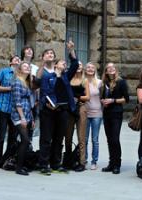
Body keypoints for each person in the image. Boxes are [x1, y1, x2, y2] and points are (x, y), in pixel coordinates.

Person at [36, 40, 79, 175]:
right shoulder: (43, 72)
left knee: (59, 138)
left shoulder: (65, 75)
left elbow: (75, 64)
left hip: (62, 110)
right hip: (48, 109)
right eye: (47, 53)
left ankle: (55, 163)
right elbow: (39, 86)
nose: (50, 54)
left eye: (52, 53)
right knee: (46, 138)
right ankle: (43, 164)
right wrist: (46, 103)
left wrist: (71, 50)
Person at [101, 63, 129, 174]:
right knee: (109, 140)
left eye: (113, 67)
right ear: (106, 71)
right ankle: (111, 163)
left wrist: (113, 101)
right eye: (109, 68)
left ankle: (117, 164)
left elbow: (126, 99)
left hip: (116, 113)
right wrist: (103, 101)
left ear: (115, 70)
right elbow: (103, 97)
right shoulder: (105, 83)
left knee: (115, 139)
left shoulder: (121, 82)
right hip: (106, 113)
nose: (111, 69)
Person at [0, 55, 20, 169]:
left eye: (19, 59)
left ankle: (6, 160)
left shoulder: (22, 75)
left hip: (14, 110)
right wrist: (8, 89)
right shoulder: (3, 72)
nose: (18, 60)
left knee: (13, 138)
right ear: (10, 63)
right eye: (15, 59)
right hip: (2, 108)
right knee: (1, 136)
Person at [10, 61, 33, 175]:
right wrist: (22, 118)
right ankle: (18, 168)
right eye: (25, 66)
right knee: (25, 140)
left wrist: (31, 119)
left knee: (25, 141)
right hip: (19, 116)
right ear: (19, 70)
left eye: (28, 66)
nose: (28, 67)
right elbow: (17, 102)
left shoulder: (26, 82)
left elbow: (29, 102)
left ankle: (21, 165)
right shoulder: (17, 82)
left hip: (27, 115)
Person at [67, 61, 90, 172]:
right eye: (77, 65)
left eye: (80, 65)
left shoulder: (84, 80)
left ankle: (82, 162)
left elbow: (88, 97)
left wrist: (77, 98)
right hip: (70, 109)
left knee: (81, 137)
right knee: (68, 136)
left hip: (81, 108)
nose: (78, 67)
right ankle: (68, 160)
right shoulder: (68, 79)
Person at [84, 62, 102, 170]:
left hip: (97, 114)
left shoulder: (99, 82)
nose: (90, 69)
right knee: (84, 139)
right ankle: (84, 159)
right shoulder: (83, 82)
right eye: (88, 68)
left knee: (95, 139)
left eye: (92, 68)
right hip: (85, 113)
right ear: (85, 70)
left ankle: (94, 161)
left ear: (95, 70)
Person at [20, 45, 39, 144]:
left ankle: (28, 150)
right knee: (19, 129)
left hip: (32, 101)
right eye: (27, 49)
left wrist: (37, 100)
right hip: (20, 101)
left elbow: (37, 85)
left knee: (30, 127)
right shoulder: (18, 64)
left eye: (31, 49)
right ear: (23, 52)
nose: (29, 50)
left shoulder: (35, 68)